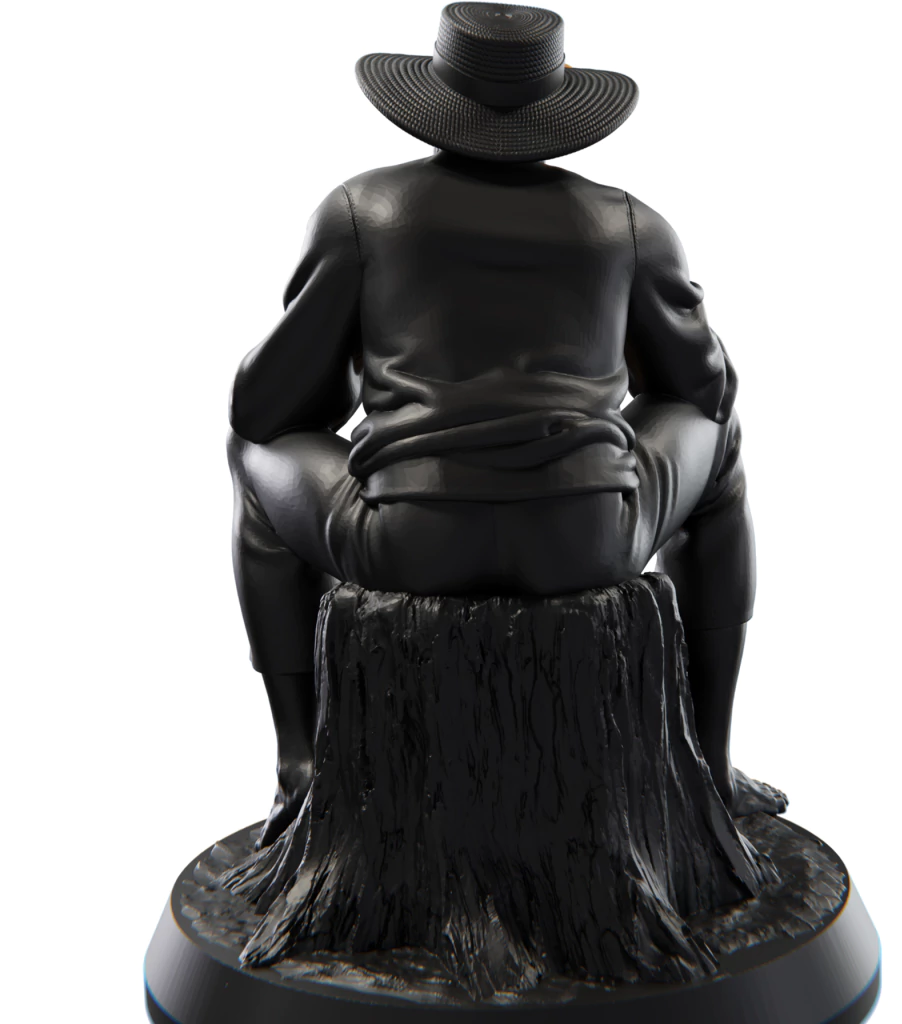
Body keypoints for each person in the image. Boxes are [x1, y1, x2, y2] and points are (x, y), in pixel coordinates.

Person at [227, 3, 786, 847]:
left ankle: (299, 763)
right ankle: (710, 760)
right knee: (723, 437)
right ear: (558, 108)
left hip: (408, 542)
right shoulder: (629, 224)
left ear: (435, 96)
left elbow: (264, 408)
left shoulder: (361, 210)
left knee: (249, 454)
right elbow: (703, 390)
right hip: (592, 539)